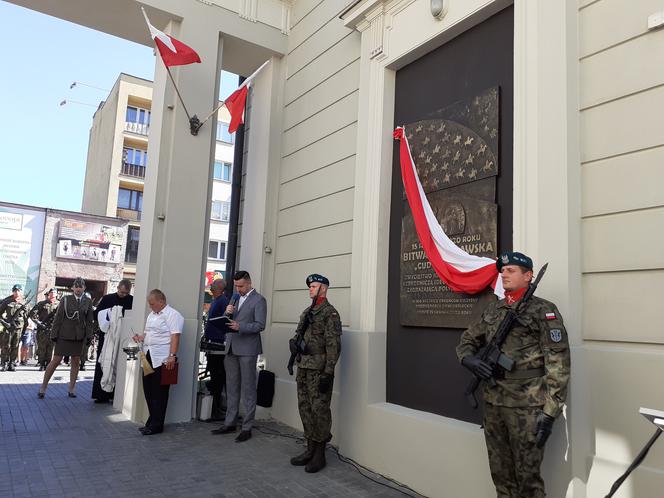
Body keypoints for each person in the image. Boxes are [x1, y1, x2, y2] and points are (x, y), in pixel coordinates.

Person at [456, 252, 571, 498]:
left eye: (511, 270)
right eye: (503, 270)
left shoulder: (544, 310)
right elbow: (467, 341)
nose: (504, 274)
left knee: (528, 481)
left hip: (527, 407)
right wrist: (470, 360)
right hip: (494, 403)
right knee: (501, 476)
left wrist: (550, 411)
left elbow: (558, 362)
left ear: (528, 276)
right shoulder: (493, 310)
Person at [289, 274, 342, 473]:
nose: (310, 289)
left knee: (320, 410)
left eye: (314, 286)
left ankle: (320, 453)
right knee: (305, 408)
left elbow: (333, 346)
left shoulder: (330, 313)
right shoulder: (307, 312)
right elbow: (298, 334)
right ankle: (310, 448)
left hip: (319, 370)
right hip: (303, 366)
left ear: (324, 288)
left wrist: (328, 373)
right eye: (310, 286)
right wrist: (294, 343)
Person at [211, 271, 266, 442]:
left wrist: (240, 326)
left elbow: (260, 325)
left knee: (248, 388)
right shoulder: (233, 298)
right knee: (231, 386)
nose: (238, 288)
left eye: (241, 285)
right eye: (236, 285)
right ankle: (230, 423)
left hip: (248, 348)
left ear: (249, 283)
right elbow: (227, 320)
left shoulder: (259, 300)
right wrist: (227, 313)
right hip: (231, 347)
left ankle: (247, 427)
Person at [132, 289, 183, 435]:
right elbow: (148, 334)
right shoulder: (151, 315)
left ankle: (157, 425)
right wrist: (141, 337)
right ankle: (151, 421)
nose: (150, 306)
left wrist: (172, 356)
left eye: (152, 303)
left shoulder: (173, 315)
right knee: (148, 390)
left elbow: (175, 336)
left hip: (163, 359)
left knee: (159, 393)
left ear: (161, 301)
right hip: (148, 356)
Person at [38, 278, 94, 398]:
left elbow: (89, 321)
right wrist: (54, 334)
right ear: (73, 288)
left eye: (81, 287)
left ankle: (72, 388)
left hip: (79, 336)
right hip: (64, 334)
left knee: (76, 361)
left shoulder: (88, 301)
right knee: (56, 360)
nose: (78, 289)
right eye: (76, 286)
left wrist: (89, 336)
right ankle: (43, 387)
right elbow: (58, 318)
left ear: (84, 288)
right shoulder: (66, 299)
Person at [91, 279, 133, 403]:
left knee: (120, 364)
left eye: (126, 293)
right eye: (121, 292)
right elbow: (97, 315)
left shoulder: (132, 300)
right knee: (104, 363)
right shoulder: (107, 299)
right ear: (118, 288)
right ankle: (101, 394)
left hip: (123, 337)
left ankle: (116, 394)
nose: (123, 295)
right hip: (107, 336)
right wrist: (109, 314)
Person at [203, 278, 229, 421]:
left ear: (219, 288)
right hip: (212, 344)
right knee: (215, 376)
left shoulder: (222, 301)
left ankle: (217, 408)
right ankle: (215, 408)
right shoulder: (216, 301)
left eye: (213, 284)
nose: (210, 286)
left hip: (218, 346)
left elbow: (225, 321)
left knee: (218, 377)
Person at [0, 284, 30, 372]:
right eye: (15, 290)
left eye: (18, 290)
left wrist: (24, 329)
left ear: (21, 291)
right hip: (8, 327)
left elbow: (26, 317)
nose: (17, 292)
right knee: (6, 346)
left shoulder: (24, 303)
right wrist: (5, 323)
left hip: (18, 328)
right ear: (13, 291)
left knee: (15, 346)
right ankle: (4, 363)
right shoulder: (7, 301)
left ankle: (12, 363)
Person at [30, 288, 59, 371]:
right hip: (43, 329)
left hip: (54, 329)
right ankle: (42, 364)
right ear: (48, 294)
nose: (52, 294)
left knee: (51, 348)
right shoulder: (42, 304)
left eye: (54, 293)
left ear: (56, 294)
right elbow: (32, 314)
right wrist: (39, 323)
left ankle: (48, 365)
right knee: (42, 347)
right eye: (51, 292)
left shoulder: (60, 304)